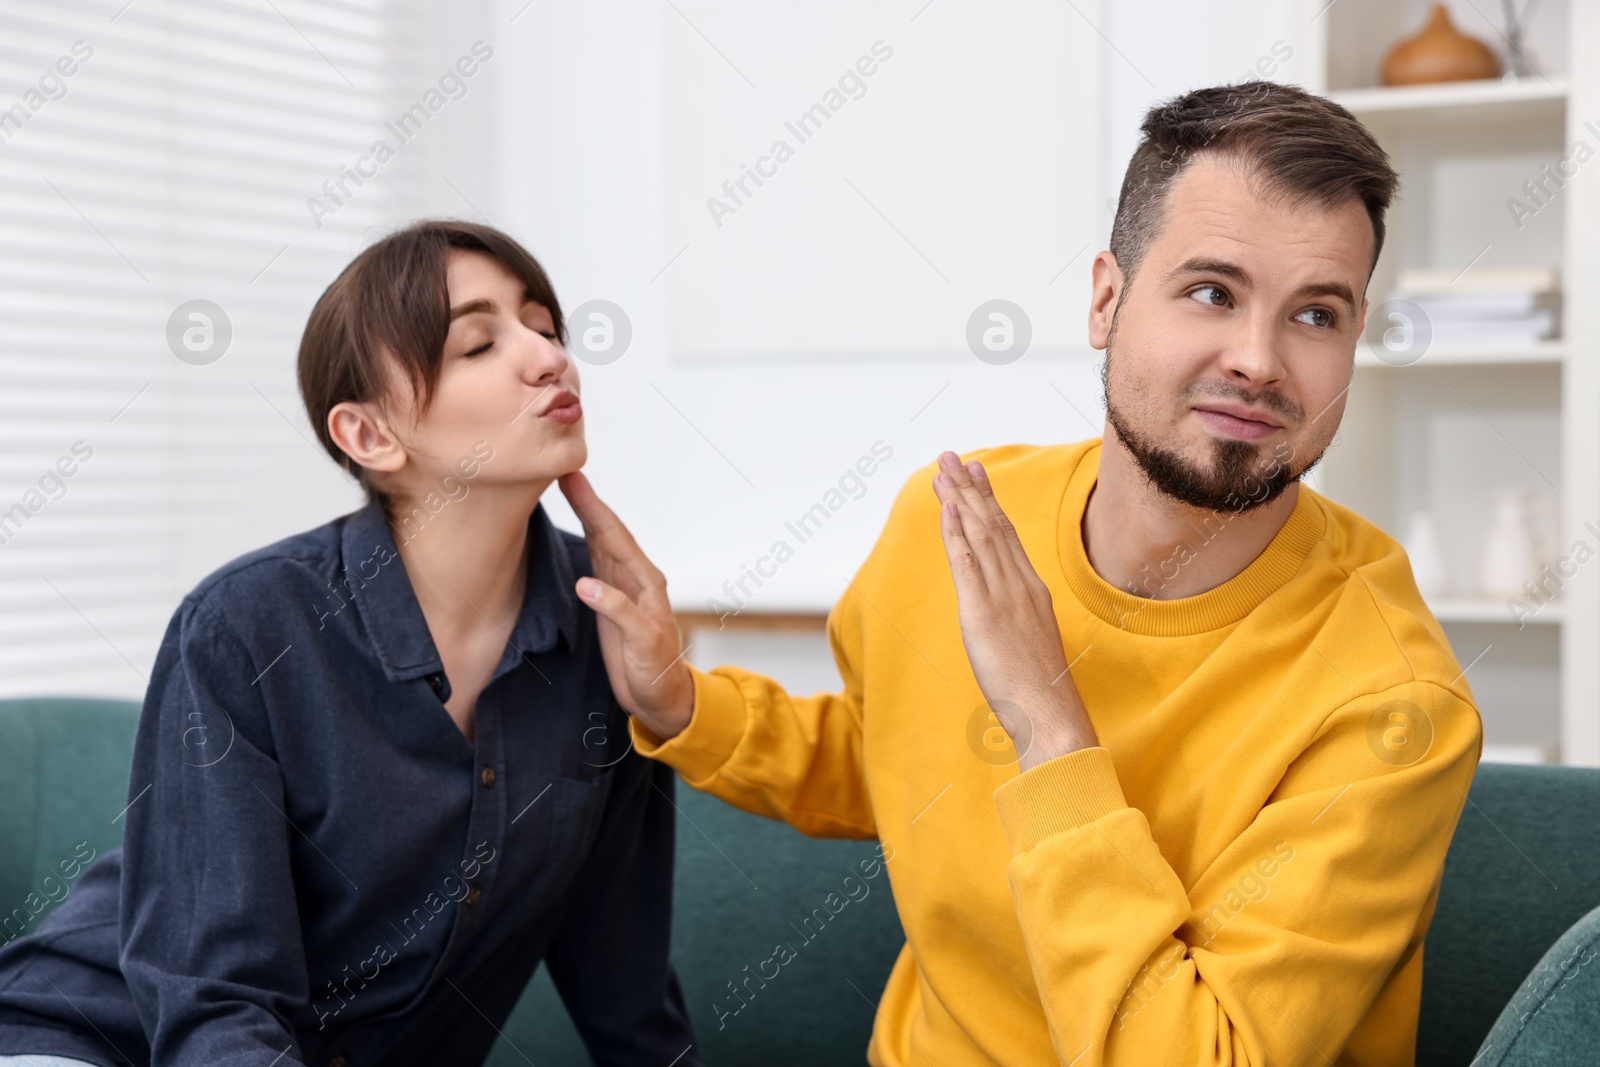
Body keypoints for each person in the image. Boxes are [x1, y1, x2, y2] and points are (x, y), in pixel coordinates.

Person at [557, 82, 1483, 1065]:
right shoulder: (954, 522)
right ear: (1106, 298)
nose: (1257, 359)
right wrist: (682, 702)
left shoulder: (1395, 701)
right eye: (1212, 292)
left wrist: (1045, 716)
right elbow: (894, 762)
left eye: (1315, 315)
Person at [0, 221, 700, 1067]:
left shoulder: (611, 624)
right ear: (370, 435)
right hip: (99, 1042)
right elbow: (215, 1000)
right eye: (479, 343)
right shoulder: (248, 624)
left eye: (545, 326)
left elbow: (625, 989)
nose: (547, 356)